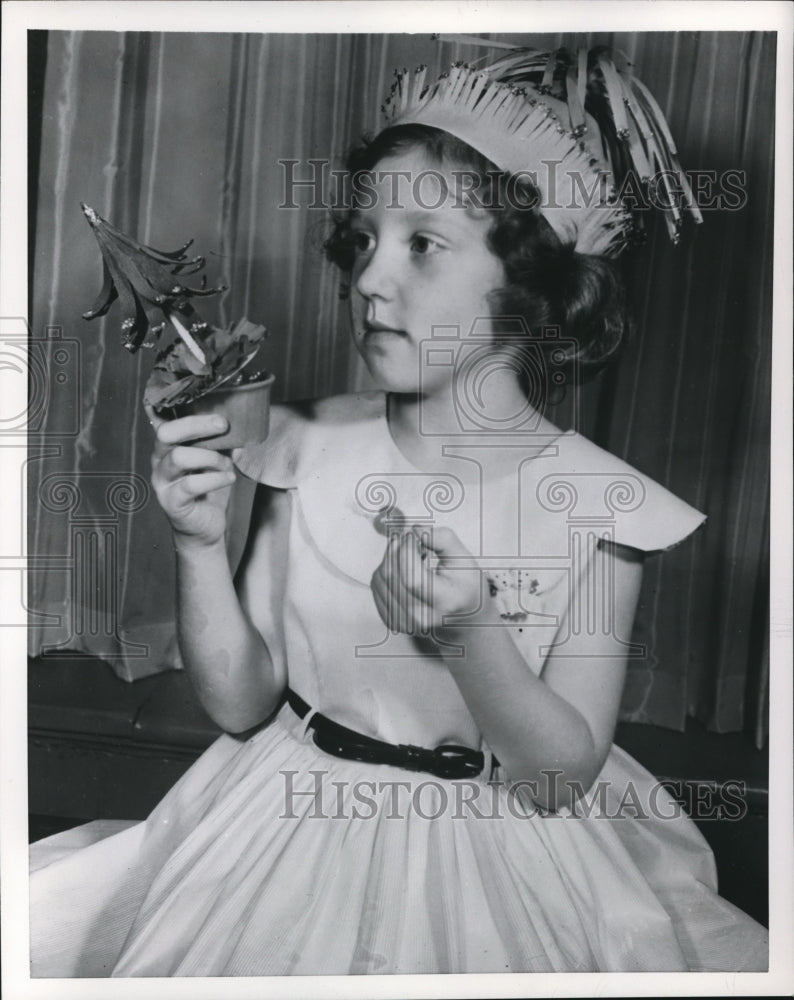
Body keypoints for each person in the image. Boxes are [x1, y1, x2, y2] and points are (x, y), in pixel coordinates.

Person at [29, 47, 769, 976]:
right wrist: (196, 544)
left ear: (531, 282)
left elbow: (554, 780)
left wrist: (471, 632)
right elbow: (241, 701)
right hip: (276, 827)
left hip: (504, 860)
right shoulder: (302, 442)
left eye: (423, 242)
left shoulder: (602, 509)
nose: (370, 279)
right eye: (364, 241)